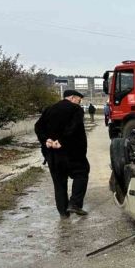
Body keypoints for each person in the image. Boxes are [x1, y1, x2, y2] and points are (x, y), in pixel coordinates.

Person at [34, 90, 90, 219]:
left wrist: (46, 140)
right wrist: (61, 141)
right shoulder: (76, 109)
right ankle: (75, 204)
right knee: (81, 173)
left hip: (52, 154)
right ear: (71, 98)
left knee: (59, 182)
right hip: (72, 153)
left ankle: (63, 212)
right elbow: (73, 128)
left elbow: (38, 126)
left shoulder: (49, 109)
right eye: (78, 99)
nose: (79, 102)